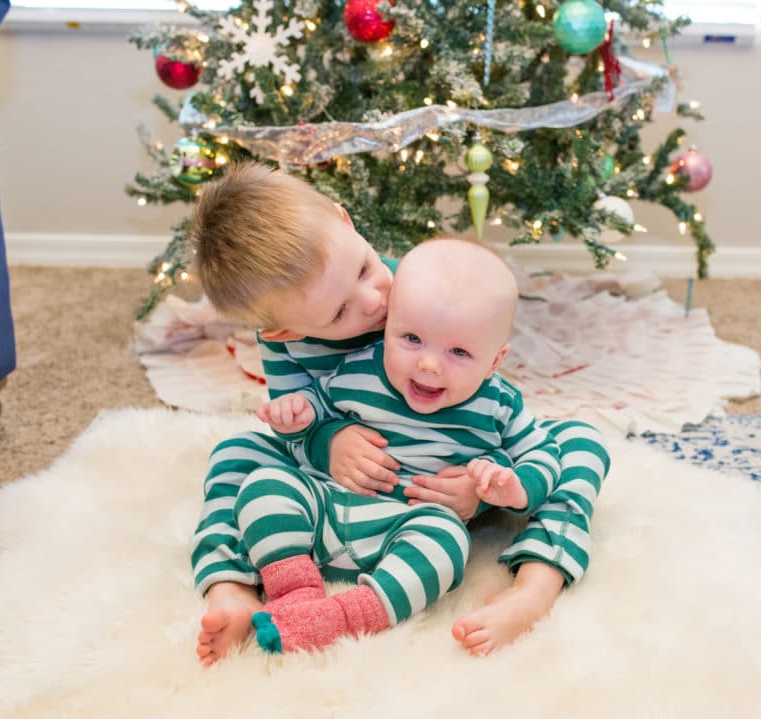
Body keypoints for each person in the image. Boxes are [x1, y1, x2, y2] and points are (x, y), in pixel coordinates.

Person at [189, 162, 610, 664]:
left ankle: (537, 584)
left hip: (449, 479)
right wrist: (327, 439)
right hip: (344, 486)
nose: (375, 300)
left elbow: (481, 380)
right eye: (339, 312)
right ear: (285, 331)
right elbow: (299, 420)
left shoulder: (416, 279)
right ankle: (231, 585)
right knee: (239, 451)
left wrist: (484, 494)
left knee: (580, 444)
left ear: (347, 224)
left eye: (366, 268)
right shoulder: (285, 345)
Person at [237, 238, 562, 654]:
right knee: (266, 485)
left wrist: (514, 488)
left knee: (448, 543)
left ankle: (347, 616)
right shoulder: (356, 370)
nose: (428, 364)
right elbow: (313, 412)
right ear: (388, 326)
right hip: (329, 507)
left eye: (459, 351)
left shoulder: (497, 402)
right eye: (411, 339)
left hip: (410, 526)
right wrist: (296, 415)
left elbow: (544, 453)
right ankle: (295, 593)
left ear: (494, 361)